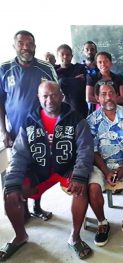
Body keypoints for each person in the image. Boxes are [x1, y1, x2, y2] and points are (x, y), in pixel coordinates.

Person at [0, 81, 94, 261]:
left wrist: (80, 175)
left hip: (67, 169)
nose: (49, 100)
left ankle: (74, 237)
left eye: (53, 95)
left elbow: (85, 150)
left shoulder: (76, 118)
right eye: (45, 96)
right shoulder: (29, 121)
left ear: (61, 96)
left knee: (82, 189)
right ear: (38, 98)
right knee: (10, 193)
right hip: (39, 171)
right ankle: (20, 237)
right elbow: (19, 154)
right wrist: (13, 181)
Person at [0, 30, 57, 221]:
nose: (25, 47)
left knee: (39, 168)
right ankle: (20, 210)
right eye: (21, 43)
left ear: (35, 45)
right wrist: (4, 130)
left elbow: (57, 96)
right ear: (14, 45)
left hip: (42, 131)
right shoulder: (4, 69)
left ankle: (37, 207)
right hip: (15, 132)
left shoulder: (46, 68)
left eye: (29, 43)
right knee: (18, 171)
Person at [87, 81, 123, 244]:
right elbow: (93, 151)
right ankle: (102, 223)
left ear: (117, 95)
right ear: (98, 98)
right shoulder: (91, 120)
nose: (108, 97)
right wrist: (106, 171)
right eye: (103, 94)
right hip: (100, 165)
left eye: (111, 93)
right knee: (93, 187)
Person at [56, 44, 88, 117]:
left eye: (68, 54)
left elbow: (81, 85)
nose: (65, 57)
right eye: (62, 54)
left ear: (72, 56)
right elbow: (56, 86)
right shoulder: (54, 71)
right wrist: (74, 80)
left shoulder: (79, 68)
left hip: (80, 110)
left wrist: (62, 81)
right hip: (61, 112)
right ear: (58, 56)